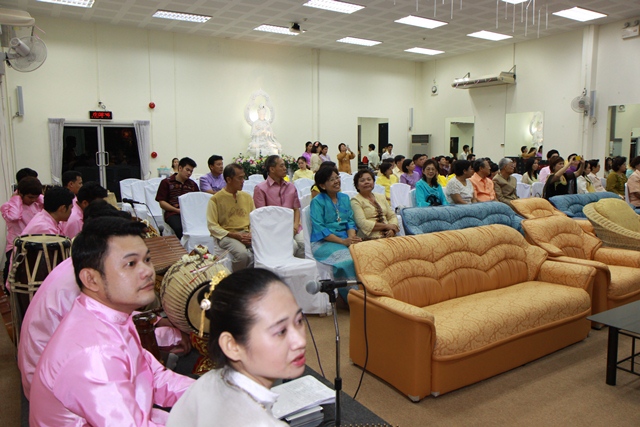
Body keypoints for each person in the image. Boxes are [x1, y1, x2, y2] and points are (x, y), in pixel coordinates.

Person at [29, 217, 194, 426]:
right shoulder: (94, 353)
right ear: (91, 279)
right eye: (131, 264)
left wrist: (211, 395)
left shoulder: (111, 318)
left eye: (147, 259)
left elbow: (153, 377)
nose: (148, 271)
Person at [166, 269, 305, 427]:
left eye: (299, 321)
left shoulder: (208, 381)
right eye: (280, 331)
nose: (300, 341)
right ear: (232, 345)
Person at [310, 166, 360, 282]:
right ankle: (350, 290)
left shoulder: (344, 198)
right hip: (324, 242)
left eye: (337, 177)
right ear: (322, 185)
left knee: (364, 255)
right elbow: (320, 229)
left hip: (345, 238)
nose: (337, 181)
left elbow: (350, 221)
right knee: (347, 260)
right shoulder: (317, 202)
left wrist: (351, 238)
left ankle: (367, 287)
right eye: (332, 179)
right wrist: (343, 242)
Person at [253, 155, 305, 258]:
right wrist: (282, 228)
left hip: (293, 227)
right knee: (293, 246)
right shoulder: (260, 189)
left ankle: (298, 266)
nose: (285, 168)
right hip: (274, 230)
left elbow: (296, 209)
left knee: (305, 243)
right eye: (281, 166)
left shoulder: (290, 187)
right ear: (272, 169)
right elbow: (262, 216)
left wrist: (295, 225)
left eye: (284, 165)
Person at [207, 163, 255, 272]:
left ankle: (253, 278)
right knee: (242, 255)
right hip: (227, 235)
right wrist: (235, 235)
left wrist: (251, 234)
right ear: (229, 179)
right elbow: (212, 225)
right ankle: (236, 279)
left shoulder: (247, 197)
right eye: (239, 178)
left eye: (243, 178)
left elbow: (254, 219)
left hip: (246, 234)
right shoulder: (216, 199)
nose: (243, 181)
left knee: (263, 250)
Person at [1, 176, 43, 285]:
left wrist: (38, 198)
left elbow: (49, 205)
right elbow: (14, 216)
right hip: (15, 246)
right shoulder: (8, 206)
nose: (33, 200)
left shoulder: (37, 205)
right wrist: (16, 198)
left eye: (36, 197)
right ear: (20, 193)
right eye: (30, 197)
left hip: (34, 245)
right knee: (14, 277)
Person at [155, 157, 199, 240]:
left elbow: (197, 202)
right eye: (187, 170)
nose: (189, 173)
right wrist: (177, 210)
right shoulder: (166, 182)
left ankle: (197, 245)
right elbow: (162, 203)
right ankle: (184, 245)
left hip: (189, 214)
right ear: (180, 168)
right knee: (180, 228)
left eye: (191, 171)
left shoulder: (193, 185)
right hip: (173, 213)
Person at [351, 169, 399, 240]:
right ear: (357, 186)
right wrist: (386, 226)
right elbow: (362, 223)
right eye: (362, 180)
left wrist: (392, 229)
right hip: (370, 238)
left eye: (369, 179)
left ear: (373, 182)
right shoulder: (355, 201)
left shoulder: (381, 197)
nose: (366, 182)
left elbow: (392, 216)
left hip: (390, 235)